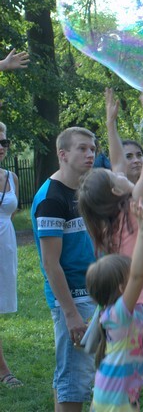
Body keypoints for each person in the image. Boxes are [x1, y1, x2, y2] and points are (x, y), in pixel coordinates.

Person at [83, 89, 143, 411]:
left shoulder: (105, 218)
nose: (120, 169)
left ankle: (123, 398)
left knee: (125, 359)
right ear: (115, 189)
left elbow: (118, 162)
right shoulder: (135, 206)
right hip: (140, 298)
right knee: (137, 361)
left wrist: (111, 124)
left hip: (118, 298)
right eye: (115, 174)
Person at [31, 126, 97, 410]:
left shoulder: (82, 189)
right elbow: (50, 263)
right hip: (72, 298)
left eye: (92, 149)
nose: (90, 154)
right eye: (82, 148)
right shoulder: (52, 199)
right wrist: (70, 314)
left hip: (90, 291)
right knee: (74, 381)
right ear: (63, 154)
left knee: (74, 374)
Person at [86, 198, 143, 410]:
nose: (136, 280)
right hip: (114, 399)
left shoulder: (125, 310)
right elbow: (138, 275)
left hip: (122, 395)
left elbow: (136, 275)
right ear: (120, 287)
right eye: (129, 277)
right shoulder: (118, 314)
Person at [0, 123, 21, 388]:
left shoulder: (12, 178)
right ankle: (3, 370)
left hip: (5, 245)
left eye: (4, 142)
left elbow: (11, 214)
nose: (2, 147)